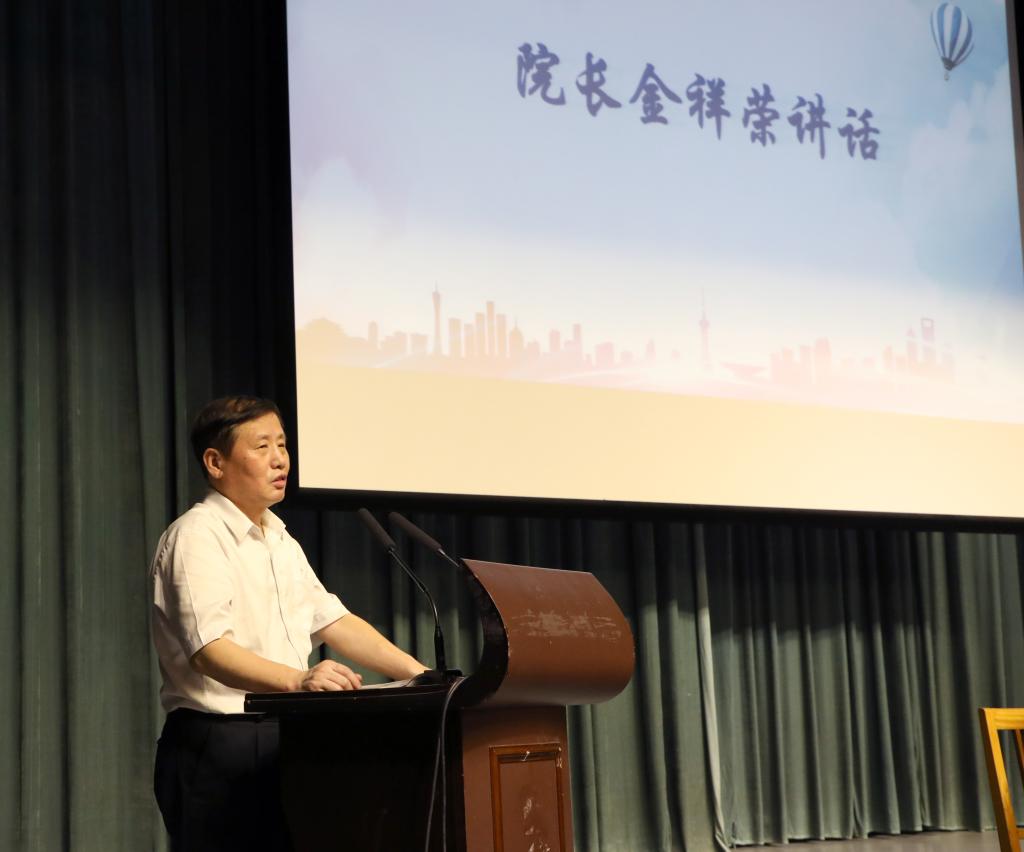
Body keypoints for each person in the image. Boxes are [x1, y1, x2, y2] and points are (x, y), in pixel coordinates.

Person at [150, 395, 426, 852]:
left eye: (282, 444)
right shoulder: (197, 536)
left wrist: (421, 675)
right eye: (262, 447)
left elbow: (334, 620)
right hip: (219, 744)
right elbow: (209, 650)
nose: (280, 459)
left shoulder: (279, 538)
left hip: (289, 737)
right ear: (215, 462)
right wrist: (299, 681)